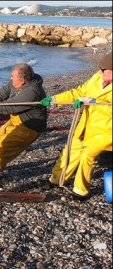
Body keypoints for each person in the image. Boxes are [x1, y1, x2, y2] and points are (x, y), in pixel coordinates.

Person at [40, 52, 112, 199]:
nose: (100, 71)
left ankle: (81, 190)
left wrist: (91, 101)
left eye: (103, 70)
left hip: (106, 131)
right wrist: (54, 99)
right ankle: (56, 180)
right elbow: (78, 92)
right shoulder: (96, 78)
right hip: (86, 126)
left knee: (87, 156)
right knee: (70, 151)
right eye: (100, 68)